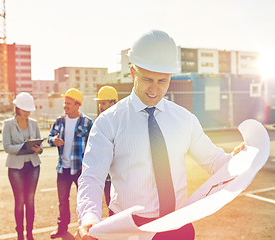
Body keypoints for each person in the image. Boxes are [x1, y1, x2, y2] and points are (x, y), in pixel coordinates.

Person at [75, 30, 245, 240]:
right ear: (132, 72)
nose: (154, 89)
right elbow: (92, 176)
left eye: (162, 81)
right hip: (129, 229)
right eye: (147, 79)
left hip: (178, 224)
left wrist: (238, 161)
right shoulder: (108, 122)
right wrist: (89, 216)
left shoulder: (185, 119)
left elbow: (214, 161)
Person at [48, 88, 93, 239]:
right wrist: (54, 140)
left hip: (80, 169)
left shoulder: (87, 122)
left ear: (77, 104)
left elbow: (93, 146)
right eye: (64, 102)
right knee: (62, 201)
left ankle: (85, 229)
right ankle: (62, 229)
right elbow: (49, 137)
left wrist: (85, 164)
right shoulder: (59, 121)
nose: (65, 105)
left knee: (84, 201)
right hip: (63, 169)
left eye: (68, 103)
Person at [2, 92, 43, 240]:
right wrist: (24, 147)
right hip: (15, 169)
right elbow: (7, 147)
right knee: (19, 201)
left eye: (29, 110)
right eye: (24, 109)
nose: (27, 113)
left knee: (30, 201)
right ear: (17, 108)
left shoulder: (34, 123)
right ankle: (20, 234)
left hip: (33, 166)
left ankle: (30, 233)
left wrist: (39, 149)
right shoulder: (8, 124)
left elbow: (40, 145)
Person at [94, 86, 118, 216]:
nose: (100, 107)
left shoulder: (122, 121)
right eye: (99, 104)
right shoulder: (99, 122)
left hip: (120, 174)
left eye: (103, 103)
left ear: (113, 102)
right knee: (110, 205)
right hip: (106, 175)